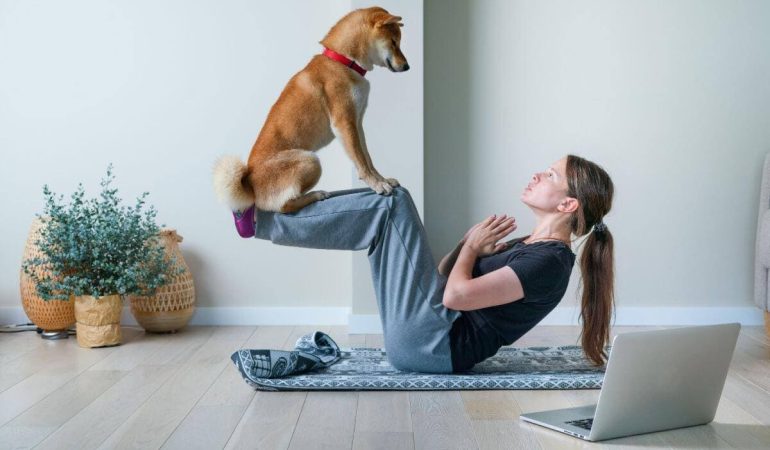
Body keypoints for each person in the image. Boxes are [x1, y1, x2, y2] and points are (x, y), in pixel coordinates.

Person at [250, 154, 614, 373]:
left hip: (433, 346)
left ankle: (262, 220)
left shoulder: (549, 262)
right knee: (387, 207)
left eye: (551, 175)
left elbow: (455, 298)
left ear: (568, 205)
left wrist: (472, 249)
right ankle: (268, 217)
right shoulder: (530, 246)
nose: (537, 174)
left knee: (393, 203)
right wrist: (464, 247)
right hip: (427, 336)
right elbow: (440, 280)